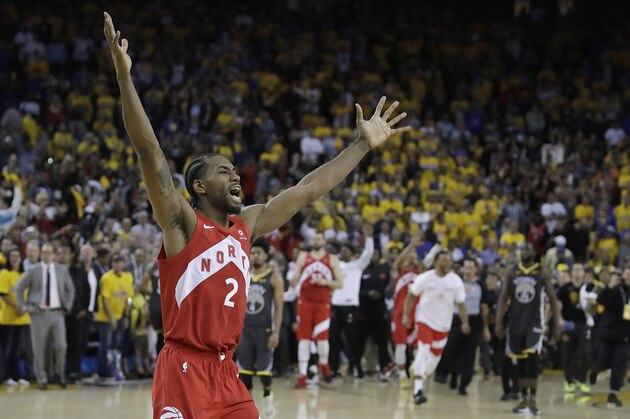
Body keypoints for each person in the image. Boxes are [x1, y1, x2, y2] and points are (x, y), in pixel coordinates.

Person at [104, 12, 408, 418]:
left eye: (235, 170)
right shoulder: (182, 224)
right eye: (222, 171)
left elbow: (307, 190)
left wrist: (361, 146)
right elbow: (149, 152)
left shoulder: (245, 226)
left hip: (227, 373)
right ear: (198, 187)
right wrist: (125, 79)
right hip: (184, 368)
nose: (235, 176)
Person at [496, 242, 560, 416]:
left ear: (534, 251)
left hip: (535, 324)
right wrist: (499, 322)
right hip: (515, 323)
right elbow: (503, 298)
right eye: (523, 248)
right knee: (520, 364)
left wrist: (557, 323)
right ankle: (524, 398)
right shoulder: (511, 271)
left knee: (532, 363)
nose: (526, 251)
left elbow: (553, 299)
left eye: (529, 248)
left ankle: (533, 399)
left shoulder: (542, 272)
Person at [402, 251, 470, 405]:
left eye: (449, 261)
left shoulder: (455, 281)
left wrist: (465, 322)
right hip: (425, 320)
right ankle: (418, 390)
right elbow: (411, 295)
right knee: (423, 349)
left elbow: (461, 304)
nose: (447, 264)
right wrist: (406, 316)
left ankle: (419, 374)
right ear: (436, 262)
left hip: (443, 325)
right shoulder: (425, 278)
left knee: (434, 359)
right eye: (444, 261)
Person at [14, 243, 75, 390]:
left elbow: (70, 289)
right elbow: (18, 287)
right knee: (39, 348)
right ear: (41, 254)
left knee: (61, 346)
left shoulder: (62, 270)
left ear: (54, 255)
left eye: (49, 253)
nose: (46, 255)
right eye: (44, 253)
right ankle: (42, 378)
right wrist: (24, 305)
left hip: (57, 313)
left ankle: (59, 374)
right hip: (38, 313)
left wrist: (67, 306)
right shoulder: (33, 270)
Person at [236, 239, 283, 417]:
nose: (255, 255)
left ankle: (267, 397)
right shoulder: (243, 273)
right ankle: (248, 411)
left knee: (264, 374)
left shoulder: (274, 278)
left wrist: (276, 334)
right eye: (253, 252)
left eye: (258, 253)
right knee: (244, 376)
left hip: (265, 331)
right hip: (245, 330)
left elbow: (279, 308)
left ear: (265, 255)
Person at [290, 232, 344, 388]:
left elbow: (340, 283)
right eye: (314, 238)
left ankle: (324, 364)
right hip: (304, 303)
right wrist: (294, 279)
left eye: (318, 238)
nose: (315, 240)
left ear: (324, 241)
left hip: (322, 303)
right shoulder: (303, 256)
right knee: (303, 339)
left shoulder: (332, 258)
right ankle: (302, 375)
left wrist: (325, 282)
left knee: (322, 339)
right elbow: (296, 278)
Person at [438, 258, 491, 395]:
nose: (467, 270)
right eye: (465, 267)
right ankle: (453, 375)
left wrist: (485, 328)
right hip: (456, 319)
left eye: (470, 268)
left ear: (476, 270)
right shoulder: (456, 282)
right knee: (451, 350)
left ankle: (464, 384)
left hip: (474, 320)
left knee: (470, 353)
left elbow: (484, 307)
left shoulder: (480, 285)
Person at [329, 226, 374, 378]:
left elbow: (368, 254)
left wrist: (369, 238)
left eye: (346, 250)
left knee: (352, 340)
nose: (342, 252)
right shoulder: (336, 266)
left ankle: (356, 368)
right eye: (341, 250)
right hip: (336, 304)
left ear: (353, 253)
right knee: (334, 340)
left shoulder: (357, 265)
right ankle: (333, 369)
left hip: (351, 306)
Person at [589, 266, 630, 407]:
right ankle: (595, 370)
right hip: (607, 333)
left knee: (620, 364)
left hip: (624, 336)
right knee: (602, 361)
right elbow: (600, 300)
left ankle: (613, 394)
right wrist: (610, 287)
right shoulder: (615, 289)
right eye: (627, 272)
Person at [94, 253, 134, 380]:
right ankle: (104, 371)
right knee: (105, 344)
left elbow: (129, 298)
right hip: (106, 317)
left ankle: (115, 369)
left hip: (121, 316)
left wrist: (126, 316)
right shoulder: (106, 278)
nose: (118, 264)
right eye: (115, 262)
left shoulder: (128, 277)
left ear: (123, 264)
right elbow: (105, 299)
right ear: (112, 264)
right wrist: (111, 317)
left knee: (117, 344)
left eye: (120, 262)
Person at [390, 234, 421, 389]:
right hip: (399, 314)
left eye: (414, 255)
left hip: (417, 314)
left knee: (418, 347)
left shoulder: (420, 272)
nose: (412, 257)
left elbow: (428, 264)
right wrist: (410, 246)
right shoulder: (399, 272)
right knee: (400, 346)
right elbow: (397, 263)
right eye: (409, 255)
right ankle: (402, 376)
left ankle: (415, 371)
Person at [357, 247, 393, 380]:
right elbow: (356, 290)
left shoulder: (385, 271)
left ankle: (385, 368)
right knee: (362, 341)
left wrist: (382, 294)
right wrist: (368, 294)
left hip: (380, 310)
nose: (374, 256)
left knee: (382, 342)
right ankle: (359, 368)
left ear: (380, 255)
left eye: (376, 253)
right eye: (371, 254)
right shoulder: (362, 270)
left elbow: (390, 291)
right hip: (364, 310)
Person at [556, 262, 590, 394]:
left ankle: (581, 380)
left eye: (579, 269)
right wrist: (559, 320)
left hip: (583, 324)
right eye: (575, 270)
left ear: (583, 273)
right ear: (571, 273)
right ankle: (569, 381)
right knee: (568, 354)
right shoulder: (565, 288)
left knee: (585, 353)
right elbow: (558, 304)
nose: (577, 272)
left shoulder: (587, 288)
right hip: (569, 324)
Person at [66, 243, 99, 382]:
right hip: (79, 312)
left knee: (83, 343)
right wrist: (82, 308)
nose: (86, 254)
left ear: (93, 254)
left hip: (91, 312)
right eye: (84, 251)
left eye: (88, 251)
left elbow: (97, 292)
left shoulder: (96, 270)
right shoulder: (76, 269)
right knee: (75, 342)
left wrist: (95, 309)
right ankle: (73, 370)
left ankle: (77, 369)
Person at [0, 248, 30, 386]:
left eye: (17, 256)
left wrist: (23, 308)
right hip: (7, 318)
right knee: (7, 349)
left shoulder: (23, 274)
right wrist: (17, 307)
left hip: (22, 318)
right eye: (12, 256)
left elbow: (28, 294)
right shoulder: (4, 274)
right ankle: (5, 376)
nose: (14, 259)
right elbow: (4, 294)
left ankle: (16, 375)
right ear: (7, 258)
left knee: (17, 349)